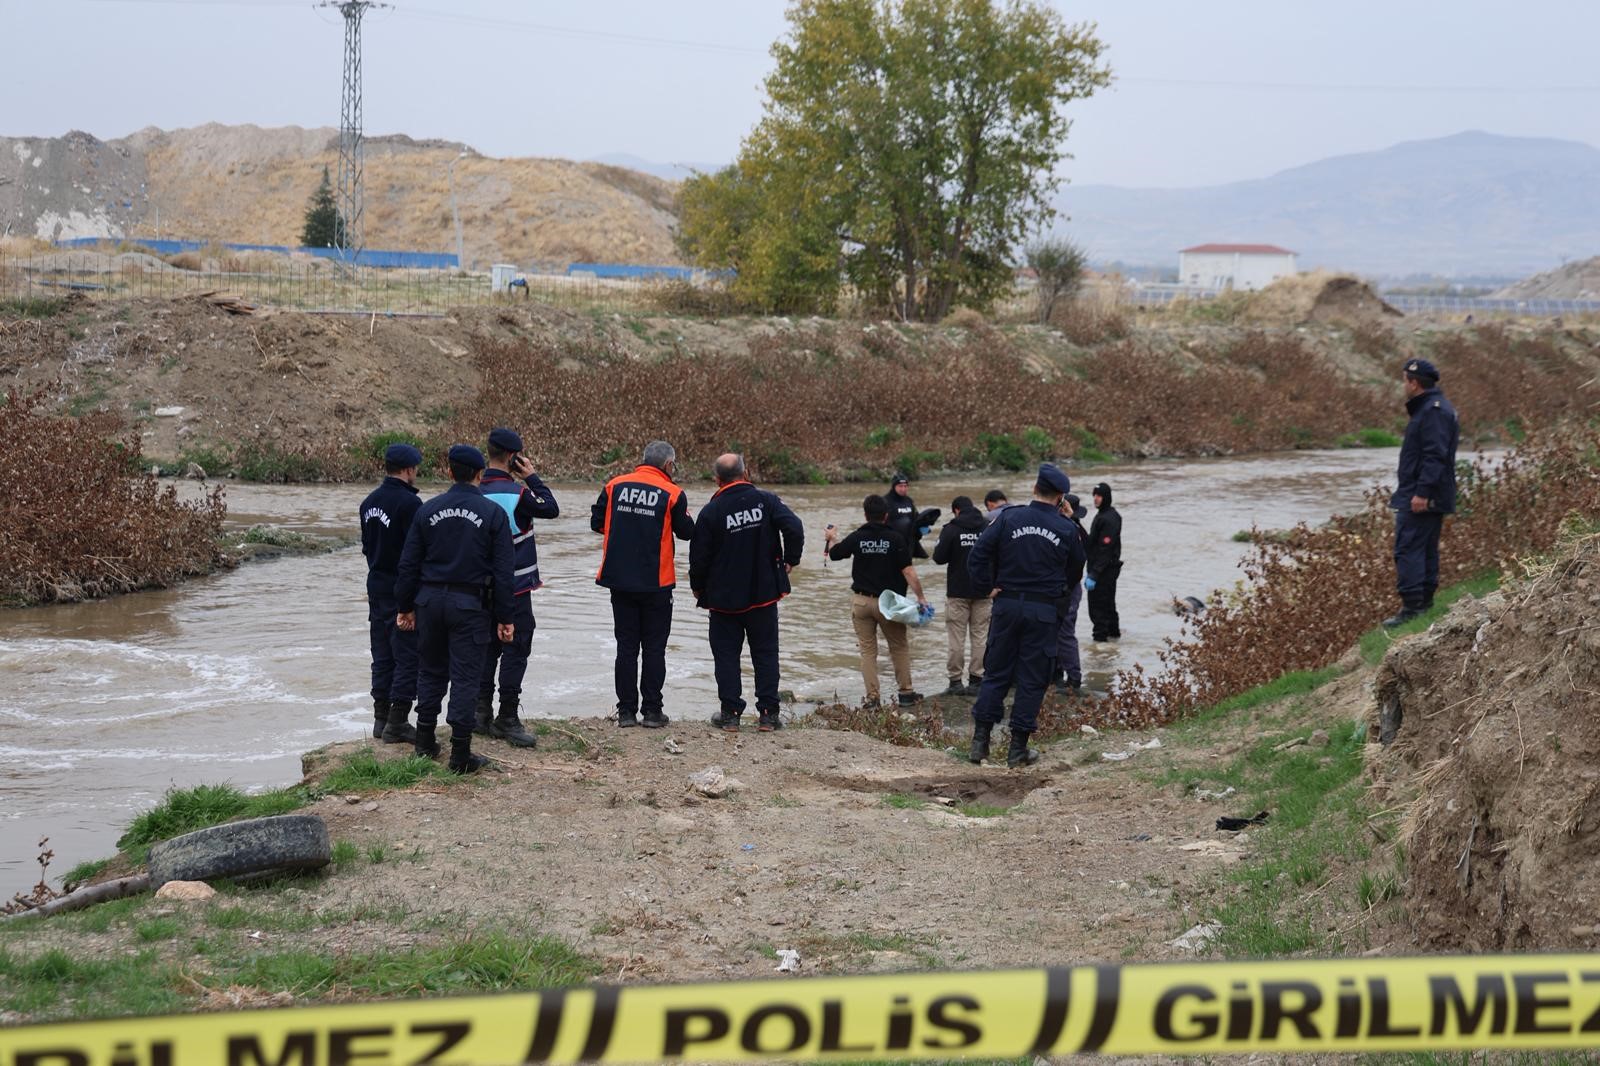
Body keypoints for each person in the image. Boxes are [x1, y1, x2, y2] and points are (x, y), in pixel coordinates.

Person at [393, 445, 516, 774]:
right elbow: (504, 572)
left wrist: (405, 606)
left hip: (429, 602)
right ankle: (460, 755)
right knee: (465, 678)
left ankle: (423, 743)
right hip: (470, 605)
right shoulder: (492, 514)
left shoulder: (427, 510)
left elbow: (408, 565)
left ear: (449, 473)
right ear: (479, 475)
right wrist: (506, 617)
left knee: (430, 671)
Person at [966, 464, 1086, 768]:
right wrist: (1056, 597)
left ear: (1034, 488)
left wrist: (986, 587)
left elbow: (978, 554)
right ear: (1061, 497)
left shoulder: (1008, 517)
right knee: (1032, 679)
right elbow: (1076, 570)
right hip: (1043, 610)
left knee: (996, 672)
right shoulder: (1066, 528)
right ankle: (1017, 749)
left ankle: (980, 743)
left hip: (1006, 605)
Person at [689, 453, 805, 733]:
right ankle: (768, 715)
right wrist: (791, 559)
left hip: (723, 600)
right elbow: (795, 527)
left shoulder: (710, 511)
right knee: (765, 654)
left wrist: (698, 589)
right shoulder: (767, 500)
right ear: (746, 472)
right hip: (763, 595)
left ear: (716, 479)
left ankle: (730, 715)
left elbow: (698, 558)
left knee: (726, 657)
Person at [591, 440, 694, 727]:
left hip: (619, 580)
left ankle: (625, 713)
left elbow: (597, 522)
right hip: (656, 582)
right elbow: (687, 532)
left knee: (626, 647)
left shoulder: (614, 485)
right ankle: (652, 712)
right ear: (668, 465)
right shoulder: (673, 493)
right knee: (653, 648)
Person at [474, 427, 560, 749]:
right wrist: (533, 477)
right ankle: (507, 717)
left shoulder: (473, 493)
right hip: (517, 587)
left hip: (480, 589)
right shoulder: (520, 495)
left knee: (485, 648)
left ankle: (479, 713)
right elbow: (551, 507)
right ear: (514, 458)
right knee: (516, 648)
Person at [825, 495, 930, 706]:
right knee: (898, 646)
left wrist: (831, 537)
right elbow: (909, 572)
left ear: (865, 514)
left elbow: (835, 555)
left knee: (867, 651)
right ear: (887, 515)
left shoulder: (858, 536)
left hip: (862, 602)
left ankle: (873, 698)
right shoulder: (895, 538)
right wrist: (921, 598)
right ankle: (906, 693)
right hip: (889, 603)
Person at [1385, 358, 1459, 627]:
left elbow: (1434, 455)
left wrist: (1422, 493)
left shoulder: (1433, 411)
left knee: (1408, 548)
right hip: (1423, 492)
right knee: (1423, 547)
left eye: (1405, 380)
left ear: (1414, 383)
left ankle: (1413, 608)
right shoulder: (1430, 409)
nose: (1403, 384)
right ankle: (1423, 604)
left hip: (1422, 495)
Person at [359, 442, 424, 744]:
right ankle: (398, 720)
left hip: (376, 584)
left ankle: (380, 718)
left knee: (381, 652)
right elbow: (417, 553)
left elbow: (366, 548)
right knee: (407, 654)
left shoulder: (368, 503)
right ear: (409, 469)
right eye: (416, 469)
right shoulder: (410, 505)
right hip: (402, 587)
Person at [931, 495, 990, 695]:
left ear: (956, 510)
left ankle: (955, 682)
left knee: (956, 638)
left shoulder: (952, 529)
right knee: (980, 637)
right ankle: (977, 679)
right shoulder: (987, 526)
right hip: (984, 591)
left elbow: (938, 558)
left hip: (957, 591)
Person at [1053, 492, 1090, 694]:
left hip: (1067, 588)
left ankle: (1073, 679)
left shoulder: (1072, 531)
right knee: (1057, 631)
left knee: (1065, 632)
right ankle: (1058, 673)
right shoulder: (1076, 529)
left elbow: (1077, 561)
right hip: (1066, 587)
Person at [1085, 481, 1123, 642]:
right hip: (1105, 570)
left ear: (1106, 497)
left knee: (1098, 608)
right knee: (1108, 605)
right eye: (1094, 495)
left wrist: (1094, 574)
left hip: (1104, 571)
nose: (1095, 498)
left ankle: (1100, 647)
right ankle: (1114, 639)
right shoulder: (1103, 515)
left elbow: (1105, 550)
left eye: (1099, 495)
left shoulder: (1109, 518)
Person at [885, 473, 929, 558]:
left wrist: (925, 522)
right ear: (894, 486)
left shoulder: (909, 501)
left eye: (905, 486)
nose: (903, 489)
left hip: (909, 542)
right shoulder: (885, 501)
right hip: (892, 543)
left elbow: (916, 518)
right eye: (900, 486)